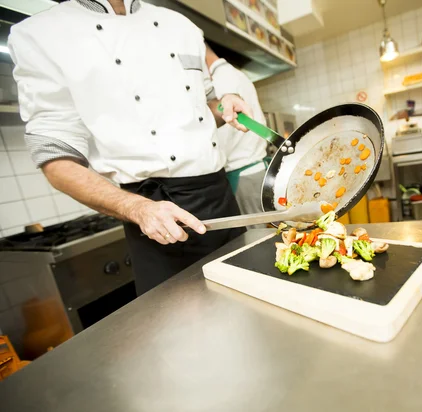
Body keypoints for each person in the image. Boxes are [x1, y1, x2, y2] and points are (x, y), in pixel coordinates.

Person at [9, 0, 254, 295]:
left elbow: (201, 113)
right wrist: (138, 208)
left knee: (251, 299)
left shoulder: (178, 24)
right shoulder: (40, 34)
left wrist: (226, 106)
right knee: (180, 327)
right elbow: (56, 161)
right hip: (156, 213)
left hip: (220, 197)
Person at [205, 45, 268, 216]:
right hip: (257, 170)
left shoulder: (220, 85)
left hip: (243, 178)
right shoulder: (239, 76)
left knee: (258, 235)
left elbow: (222, 138)